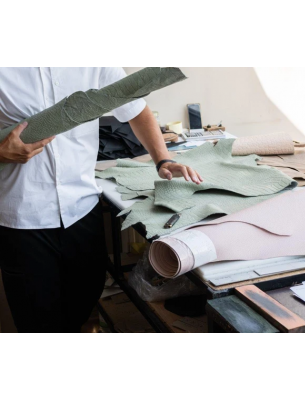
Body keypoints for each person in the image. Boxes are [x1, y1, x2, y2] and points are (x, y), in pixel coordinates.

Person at [0, 67, 202, 333]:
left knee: (86, 298)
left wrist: (163, 159)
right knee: (37, 321)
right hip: (22, 220)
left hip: (82, 208)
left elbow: (135, 109)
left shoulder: (95, 63)